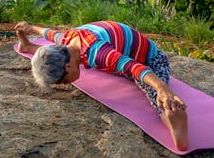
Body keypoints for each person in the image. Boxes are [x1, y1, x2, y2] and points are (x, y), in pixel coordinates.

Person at [16, 20, 189, 151]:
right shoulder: (66, 39)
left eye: (64, 81)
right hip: (116, 46)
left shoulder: (99, 54)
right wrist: (29, 28)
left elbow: (135, 68)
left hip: (149, 59)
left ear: (68, 67)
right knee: (96, 63)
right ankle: (28, 46)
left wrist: (161, 89)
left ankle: (173, 119)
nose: (67, 84)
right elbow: (47, 33)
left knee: (155, 96)